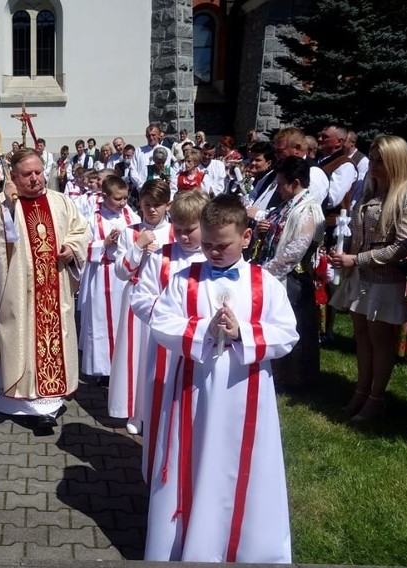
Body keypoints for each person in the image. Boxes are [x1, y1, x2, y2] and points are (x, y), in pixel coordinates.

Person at [146, 194, 298, 562]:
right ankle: (189, 544)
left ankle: (252, 547)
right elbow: (161, 322)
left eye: (223, 245)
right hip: (195, 390)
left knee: (245, 465)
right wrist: (202, 330)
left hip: (246, 389)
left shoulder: (265, 283)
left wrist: (242, 331)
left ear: (246, 238)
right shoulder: (185, 280)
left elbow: (287, 333)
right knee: (194, 461)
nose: (213, 252)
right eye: (208, 244)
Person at [0, 148, 90, 430]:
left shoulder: (61, 202)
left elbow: (81, 230)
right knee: (19, 339)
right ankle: (11, 403)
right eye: (27, 174)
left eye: (39, 172)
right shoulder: (4, 202)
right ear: (13, 177)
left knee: (52, 341)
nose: (36, 179)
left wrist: (72, 248)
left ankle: (46, 405)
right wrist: (8, 208)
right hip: (19, 298)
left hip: (54, 292)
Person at [330, 135, 407, 421]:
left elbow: (403, 245)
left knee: (380, 341)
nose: (373, 165)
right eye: (372, 159)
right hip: (360, 274)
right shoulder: (369, 189)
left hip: (383, 278)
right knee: (361, 338)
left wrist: (356, 259)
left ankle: (376, 397)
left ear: (395, 162)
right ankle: (361, 390)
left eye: (380, 160)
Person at [127, 190, 209, 475]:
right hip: (164, 348)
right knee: (162, 408)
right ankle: (157, 468)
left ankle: (192, 471)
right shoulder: (162, 257)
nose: (184, 237)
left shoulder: (214, 259)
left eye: (192, 230)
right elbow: (140, 298)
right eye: (179, 229)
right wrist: (170, 323)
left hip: (202, 351)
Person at [252, 156, 325, 389]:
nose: (278, 188)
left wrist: (264, 272)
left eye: (281, 183)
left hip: (292, 278)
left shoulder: (308, 209)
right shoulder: (287, 204)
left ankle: (295, 379)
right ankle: (277, 373)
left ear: (295, 182)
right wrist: (263, 227)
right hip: (274, 275)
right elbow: (276, 227)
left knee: (293, 325)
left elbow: (294, 251)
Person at [108, 179, 174, 432]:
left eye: (158, 205)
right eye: (147, 205)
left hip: (165, 297)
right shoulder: (130, 231)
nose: (152, 210)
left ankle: (159, 408)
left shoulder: (175, 232)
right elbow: (122, 272)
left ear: (168, 204)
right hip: (136, 297)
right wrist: (138, 247)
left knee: (160, 354)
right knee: (134, 354)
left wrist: (161, 254)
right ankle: (135, 412)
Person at [78, 176, 141, 385]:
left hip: (124, 276)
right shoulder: (93, 218)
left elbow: (141, 234)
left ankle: (123, 366)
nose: (123, 203)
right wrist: (104, 243)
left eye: (125, 198)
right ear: (104, 196)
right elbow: (82, 246)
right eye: (118, 199)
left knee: (122, 321)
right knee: (102, 323)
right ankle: (103, 369)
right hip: (102, 274)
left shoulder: (129, 215)